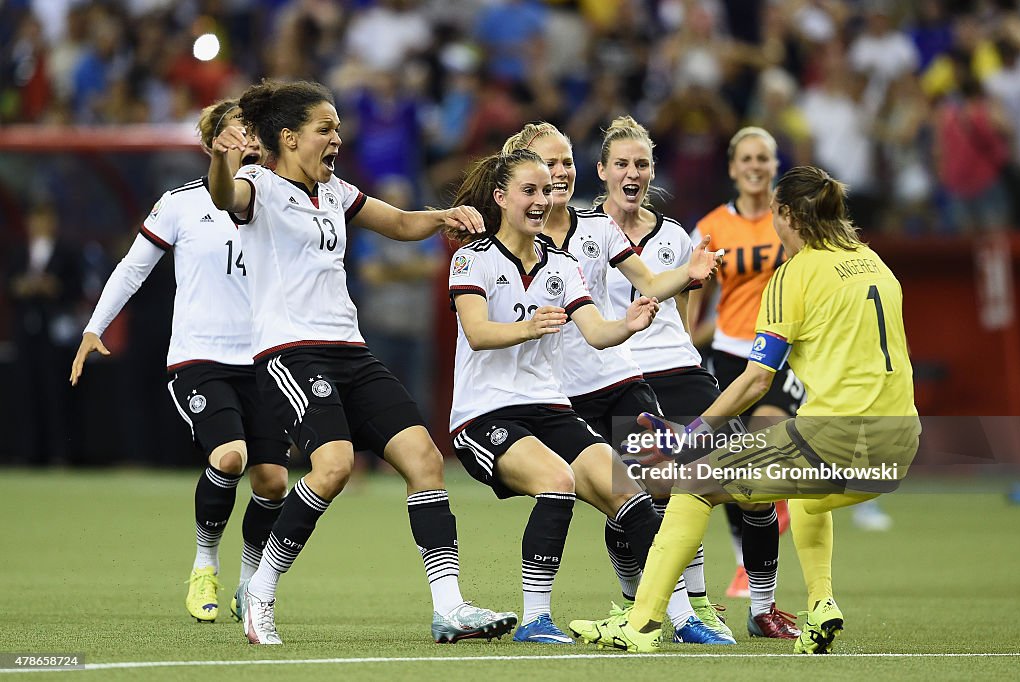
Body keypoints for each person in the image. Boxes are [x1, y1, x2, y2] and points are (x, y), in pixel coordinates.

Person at [207, 79, 516, 645]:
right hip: (291, 353)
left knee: (424, 458)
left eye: (337, 128)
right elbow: (227, 197)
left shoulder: (334, 191)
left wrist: (445, 216)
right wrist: (223, 161)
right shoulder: (258, 184)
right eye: (324, 129)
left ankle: (449, 607)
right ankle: (261, 588)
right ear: (288, 137)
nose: (336, 138)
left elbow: (398, 223)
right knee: (334, 468)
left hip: (350, 349)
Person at [570, 165, 920, 654]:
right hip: (898, 448)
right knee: (803, 494)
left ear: (787, 215)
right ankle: (821, 605)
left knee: (692, 484)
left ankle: (641, 624)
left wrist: (695, 431)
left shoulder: (794, 276)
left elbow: (757, 379)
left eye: (776, 212)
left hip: (837, 444)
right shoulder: (874, 263)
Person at [499, 122, 735, 645]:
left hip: (621, 378)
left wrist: (691, 272)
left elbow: (651, 282)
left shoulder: (596, 228)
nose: (559, 173)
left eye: (565, 163)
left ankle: (685, 613)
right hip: (561, 394)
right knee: (619, 500)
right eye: (547, 163)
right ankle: (634, 604)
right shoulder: (511, 241)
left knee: (671, 485)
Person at [69, 99, 290, 624]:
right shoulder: (181, 203)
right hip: (201, 356)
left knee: (274, 483)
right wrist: (93, 328)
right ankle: (203, 566)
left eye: (253, 132)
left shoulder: (283, 202)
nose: (248, 140)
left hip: (265, 359)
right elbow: (131, 269)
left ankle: (247, 585)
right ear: (213, 142)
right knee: (230, 456)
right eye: (237, 131)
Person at [446, 147, 666, 644]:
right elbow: (478, 333)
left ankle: (664, 614)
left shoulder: (562, 266)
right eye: (530, 190)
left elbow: (595, 332)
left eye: (546, 190)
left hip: (550, 407)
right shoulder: (472, 257)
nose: (542, 199)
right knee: (557, 480)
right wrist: (528, 327)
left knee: (630, 494)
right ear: (501, 198)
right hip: (485, 413)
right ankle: (535, 619)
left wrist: (626, 326)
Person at [591, 116, 795, 640]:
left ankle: (761, 606)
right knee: (646, 495)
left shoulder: (677, 235)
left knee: (753, 487)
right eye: (622, 164)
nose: (632, 172)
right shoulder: (582, 234)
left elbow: (685, 312)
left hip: (682, 371)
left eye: (641, 164)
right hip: (617, 375)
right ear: (603, 171)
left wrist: (684, 349)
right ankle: (655, 605)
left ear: (653, 171)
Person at [688, 126, 802, 637]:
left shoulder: (793, 222)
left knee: (759, 464)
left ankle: (760, 595)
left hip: (786, 358)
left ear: (774, 164)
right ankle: (750, 580)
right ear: (733, 168)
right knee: (745, 476)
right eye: (747, 158)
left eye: (764, 157)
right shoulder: (711, 227)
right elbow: (695, 298)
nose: (755, 166)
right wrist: (690, 344)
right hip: (733, 356)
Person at [7, 200, 83, 466]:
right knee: (26, 392)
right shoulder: (18, 253)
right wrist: (22, 288)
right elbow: (9, 285)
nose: (39, 225)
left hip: (56, 332)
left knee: (55, 393)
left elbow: (77, 289)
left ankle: (59, 453)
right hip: (26, 330)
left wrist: (54, 288)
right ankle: (27, 453)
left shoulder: (66, 252)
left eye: (44, 219)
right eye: (35, 219)